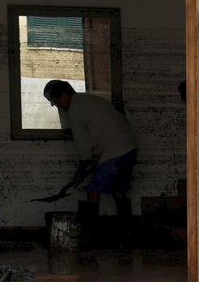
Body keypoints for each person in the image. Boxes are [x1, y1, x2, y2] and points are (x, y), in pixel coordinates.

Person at [43, 80, 138, 245]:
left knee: (93, 190)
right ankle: (127, 233)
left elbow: (84, 148)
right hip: (130, 148)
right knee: (120, 191)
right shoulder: (92, 100)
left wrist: (81, 171)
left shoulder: (74, 110)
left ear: (64, 95)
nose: (57, 106)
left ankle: (90, 235)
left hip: (113, 151)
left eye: (56, 101)